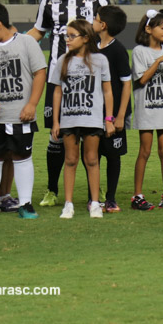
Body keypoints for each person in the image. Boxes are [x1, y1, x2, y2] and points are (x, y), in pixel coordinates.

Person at [28, 0, 108, 208]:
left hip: (89, 81)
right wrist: (15, 43)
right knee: (57, 134)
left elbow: (106, 35)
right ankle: (52, 189)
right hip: (58, 78)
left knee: (92, 134)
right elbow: (38, 32)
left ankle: (96, 191)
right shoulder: (49, 1)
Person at [0, 3, 47, 220]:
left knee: (22, 157)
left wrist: (32, 104)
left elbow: (40, 73)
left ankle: (25, 203)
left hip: (20, 116)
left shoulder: (26, 43)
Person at [48, 19, 115, 219]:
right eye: (66, 36)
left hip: (93, 119)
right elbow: (57, 92)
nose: (67, 40)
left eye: (71, 36)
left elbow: (107, 91)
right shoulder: (63, 60)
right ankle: (68, 204)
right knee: (70, 160)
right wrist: (56, 121)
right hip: (69, 119)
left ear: (85, 38)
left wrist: (109, 118)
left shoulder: (100, 60)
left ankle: (95, 203)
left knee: (92, 160)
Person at [130, 10, 163, 211]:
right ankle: (137, 196)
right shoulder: (139, 52)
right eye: (162, 27)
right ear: (149, 29)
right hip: (146, 108)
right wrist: (160, 61)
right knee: (145, 151)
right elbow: (141, 80)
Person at [92, 5, 132, 213]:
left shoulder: (117, 51)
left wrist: (120, 116)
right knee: (92, 155)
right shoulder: (92, 47)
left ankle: (111, 198)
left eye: (95, 18)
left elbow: (126, 83)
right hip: (92, 112)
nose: (93, 20)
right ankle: (94, 197)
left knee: (113, 156)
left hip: (114, 113)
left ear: (103, 25)